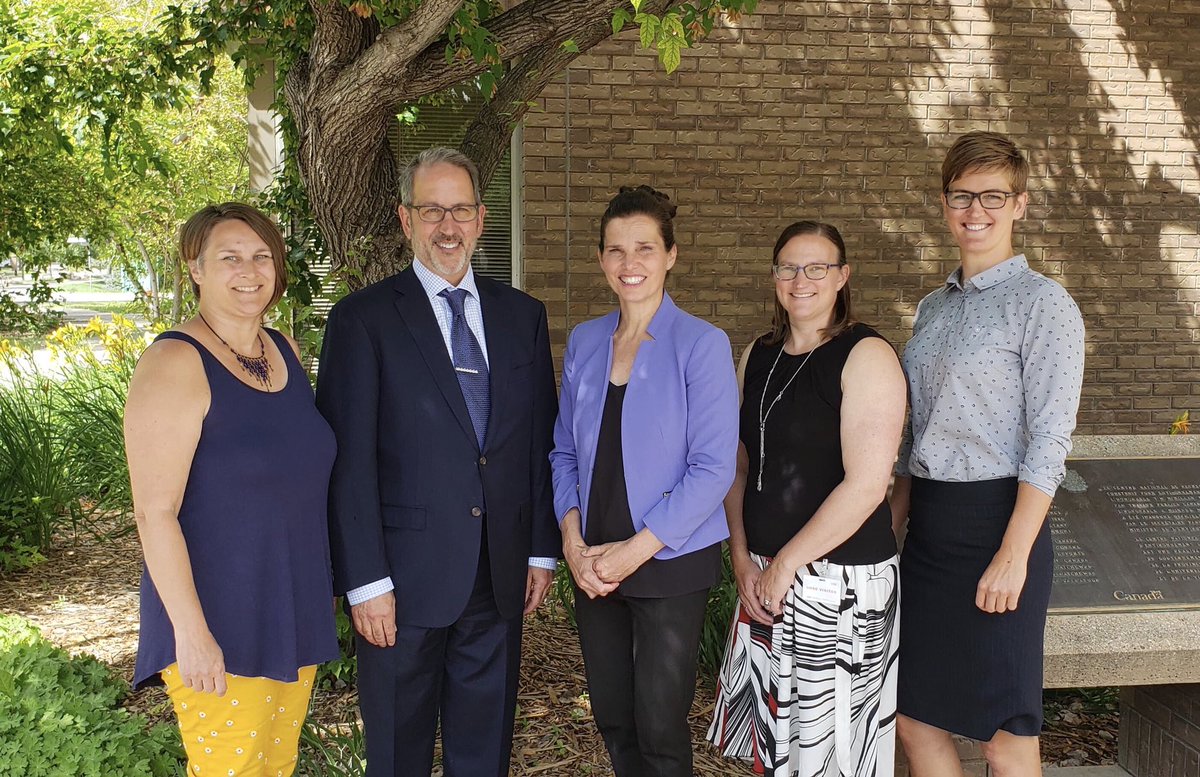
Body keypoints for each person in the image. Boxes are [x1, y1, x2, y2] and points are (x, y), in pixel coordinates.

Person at [315, 147, 559, 777]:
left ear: (481, 218)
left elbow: (535, 442)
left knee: (484, 754)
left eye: (459, 210)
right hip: (400, 582)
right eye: (431, 211)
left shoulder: (522, 317)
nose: (447, 227)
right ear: (405, 218)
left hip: (498, 575)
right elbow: (348, 465)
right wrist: (365, 581)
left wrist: (538, 550)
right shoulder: (362, 320)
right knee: (398, 753)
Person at [890, 131, 1085, 776]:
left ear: (1021, 204)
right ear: (945, 204)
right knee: (915, 719)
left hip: (1000, 525)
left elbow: (1049, 441)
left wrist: (1013, 554)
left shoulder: (1045, 305)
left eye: (993, 196)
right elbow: (915, 437)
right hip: (929, 531)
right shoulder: (931, 309)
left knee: (1004, 735)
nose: (977, 211)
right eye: (962, 196)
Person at [125, 203, 339, 777]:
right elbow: (154, 513)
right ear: (194, 268)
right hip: (219, 614)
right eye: (229, 257)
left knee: (274, 766)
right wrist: (191, 634)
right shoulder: (174, 362)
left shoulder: (285, 352)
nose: (249, 270)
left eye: (261, 255)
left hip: (289, 605)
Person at [550, 185, 740, 777]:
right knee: (613, 716)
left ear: (671, 256)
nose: (629, 265)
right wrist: (572, 543)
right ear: (602, 259)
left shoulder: (701, 344)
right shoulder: (585, 341)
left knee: (659, 725)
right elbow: (562, 452)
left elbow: (714, 468)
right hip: (594, 560)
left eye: (645, 249)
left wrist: (634, 553)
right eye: (615, 250)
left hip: (666, 557)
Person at [706, 221, 907, 776]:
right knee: (774, 752)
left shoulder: (866, 355)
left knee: (835, 754)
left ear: (842, 277)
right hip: (765, 573)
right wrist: (742, 557)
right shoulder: (758, 354)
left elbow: (868, 485)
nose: (802, 279)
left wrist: (787, 564)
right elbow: (740, 464)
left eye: (817, 267)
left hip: (839, 584)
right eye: (789, 267)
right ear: (774, 278)